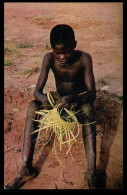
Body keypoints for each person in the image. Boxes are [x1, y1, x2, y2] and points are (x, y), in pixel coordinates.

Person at [5, 24, 97, 189]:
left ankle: (91, 172)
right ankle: (26, 166)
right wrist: (45, 99)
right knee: (33, 106)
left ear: (74, 45)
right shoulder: (48, 58)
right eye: (58, 53)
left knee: (88, 107)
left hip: (78, 100)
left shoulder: (84, 58)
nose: (62, 57)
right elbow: (37, 92)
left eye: (67, 51)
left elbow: (92, 93)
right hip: (59, 100)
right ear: (52, 50)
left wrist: (74, 99)